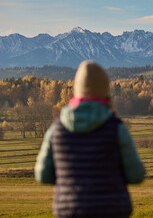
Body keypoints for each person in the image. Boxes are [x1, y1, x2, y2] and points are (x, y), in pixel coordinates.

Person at [35, 60, 145, 218]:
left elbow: (42, 175)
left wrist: (69, 180)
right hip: (112, 210)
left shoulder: (56, 129)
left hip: (69, 211)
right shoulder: (116, 128)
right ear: (105, 89)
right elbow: (136, 175)